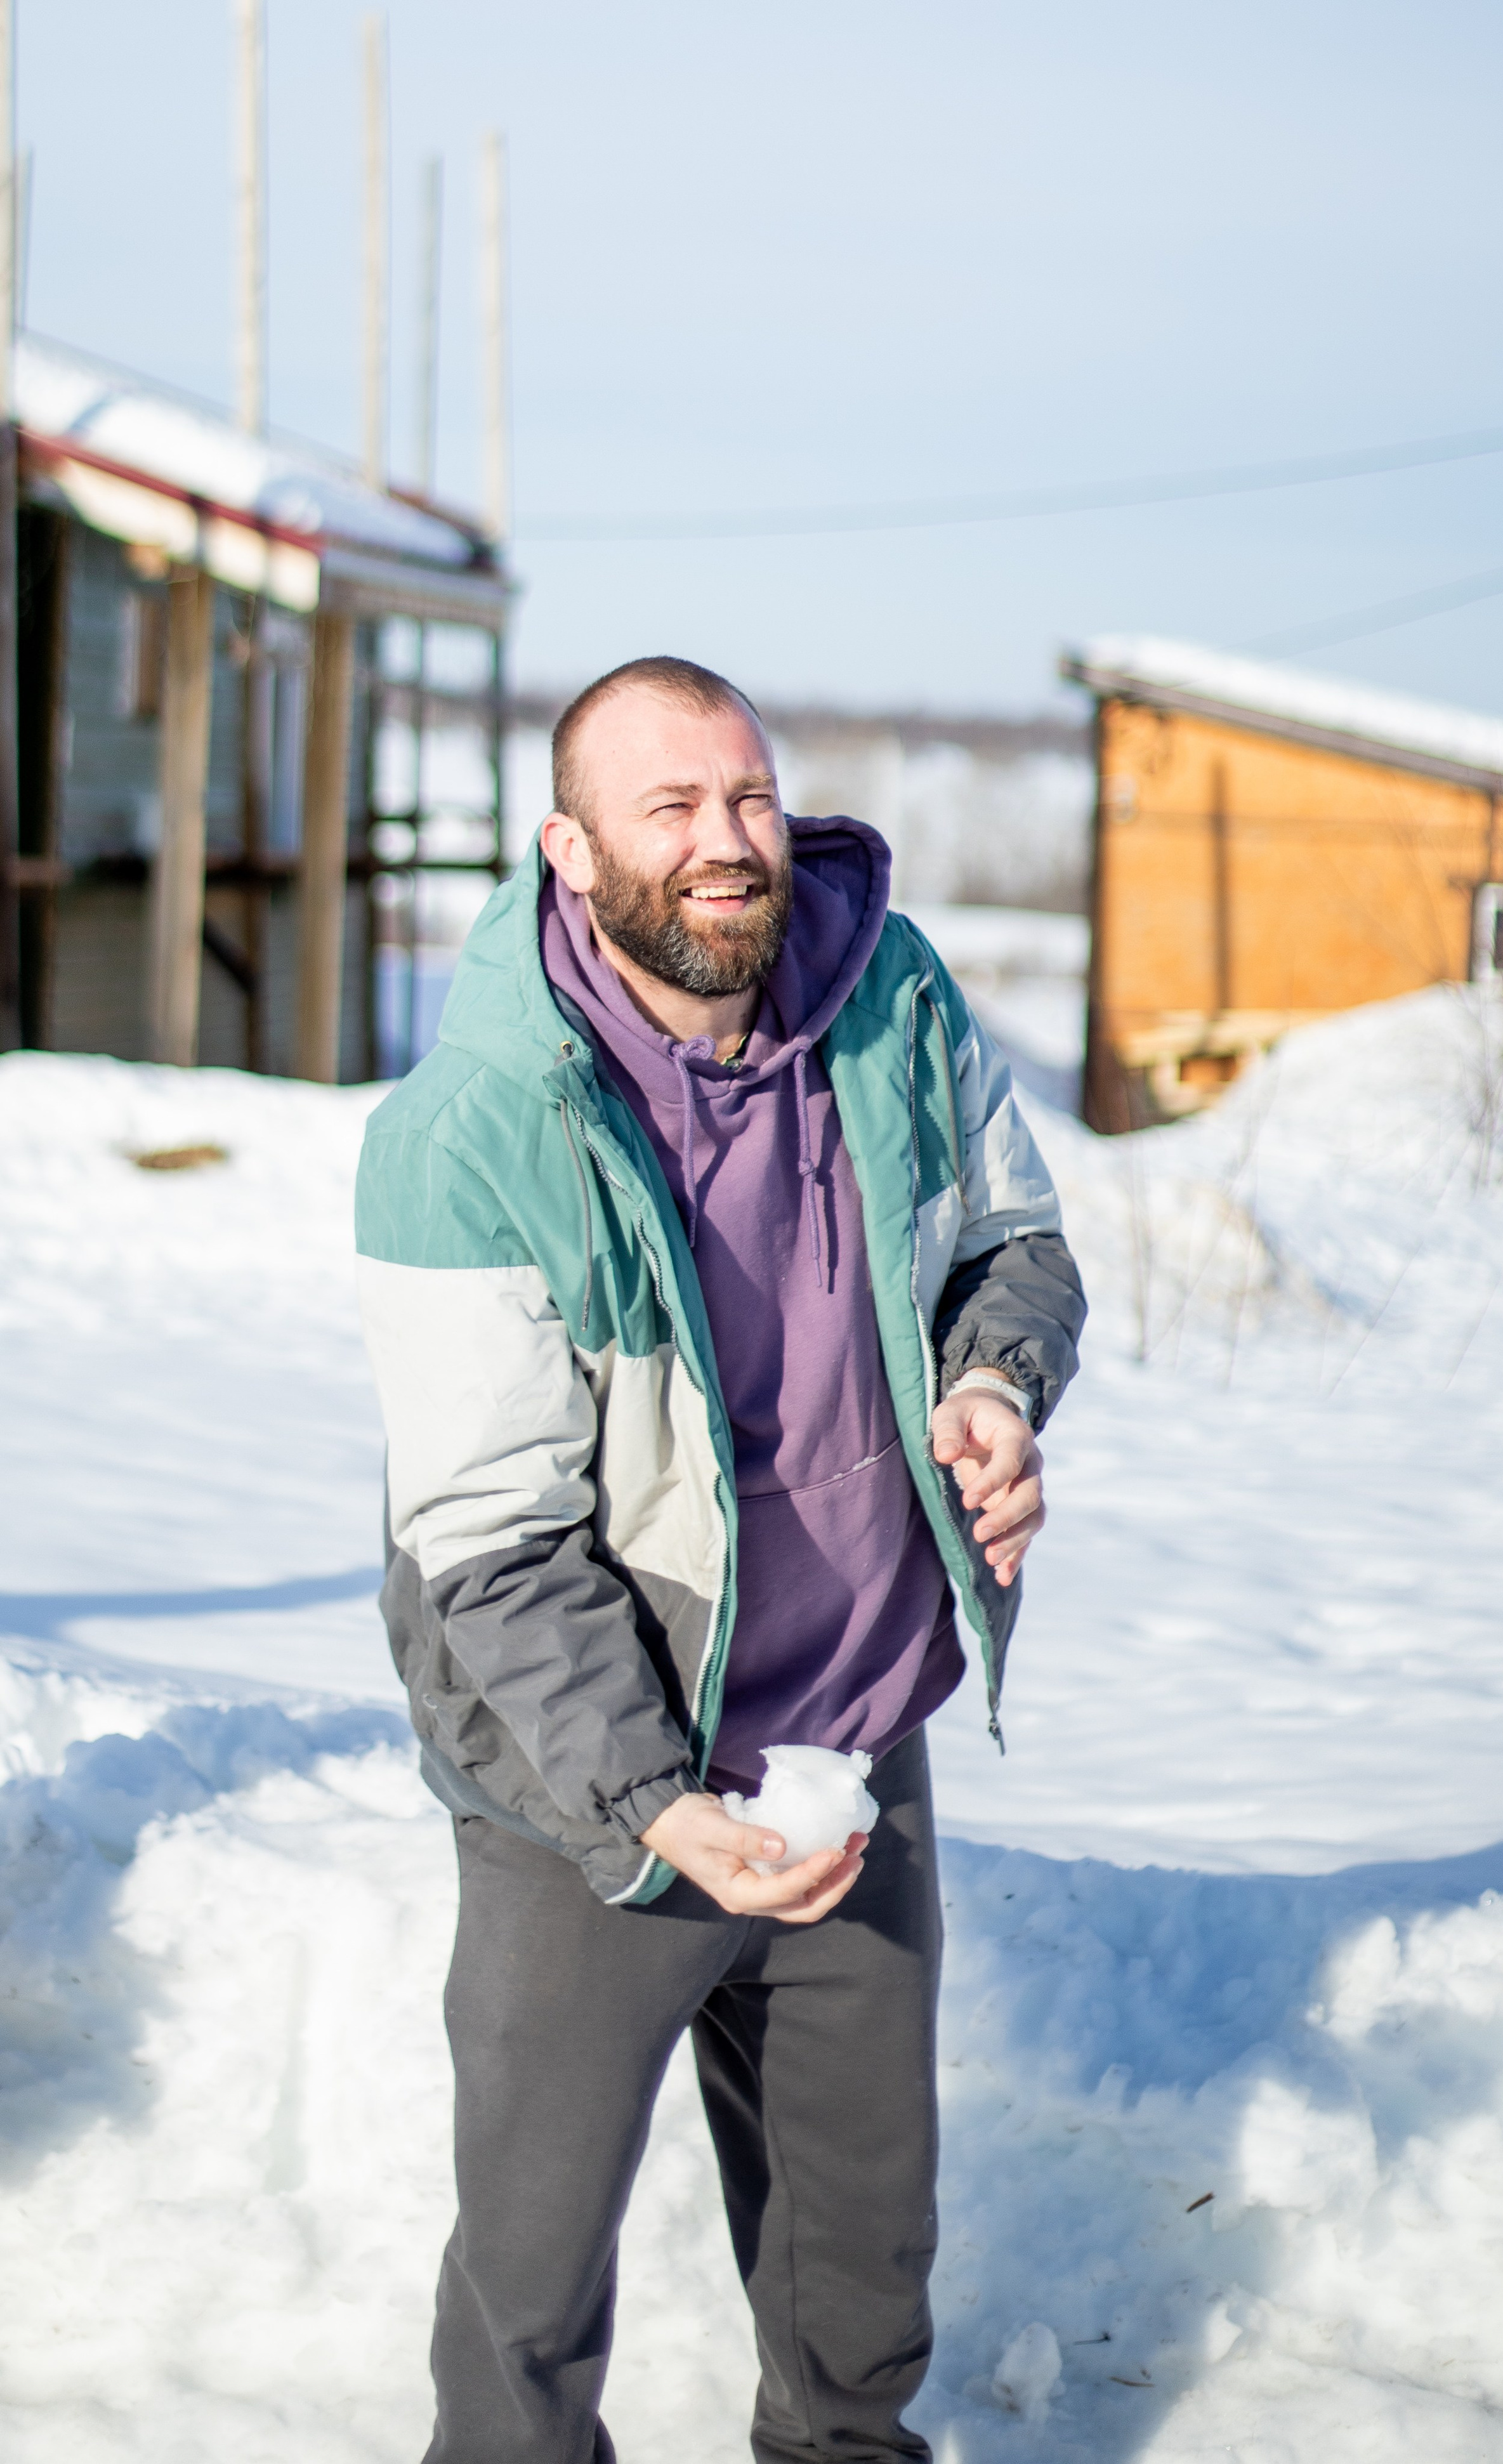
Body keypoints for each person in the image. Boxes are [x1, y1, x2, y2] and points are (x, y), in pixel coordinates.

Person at [355, 655, 1085, 2463]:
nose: (726, 842)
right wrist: (648, 1801)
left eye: (748, 798)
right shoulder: (470, 1134)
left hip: (851, 1742)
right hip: (588, 1784)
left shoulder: (889, 998)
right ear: (569, 845)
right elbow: (495, 1539)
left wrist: (995, 1387)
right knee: (529, 2295)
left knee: (862, 2272)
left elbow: (1017, 1241)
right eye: (669, 807)